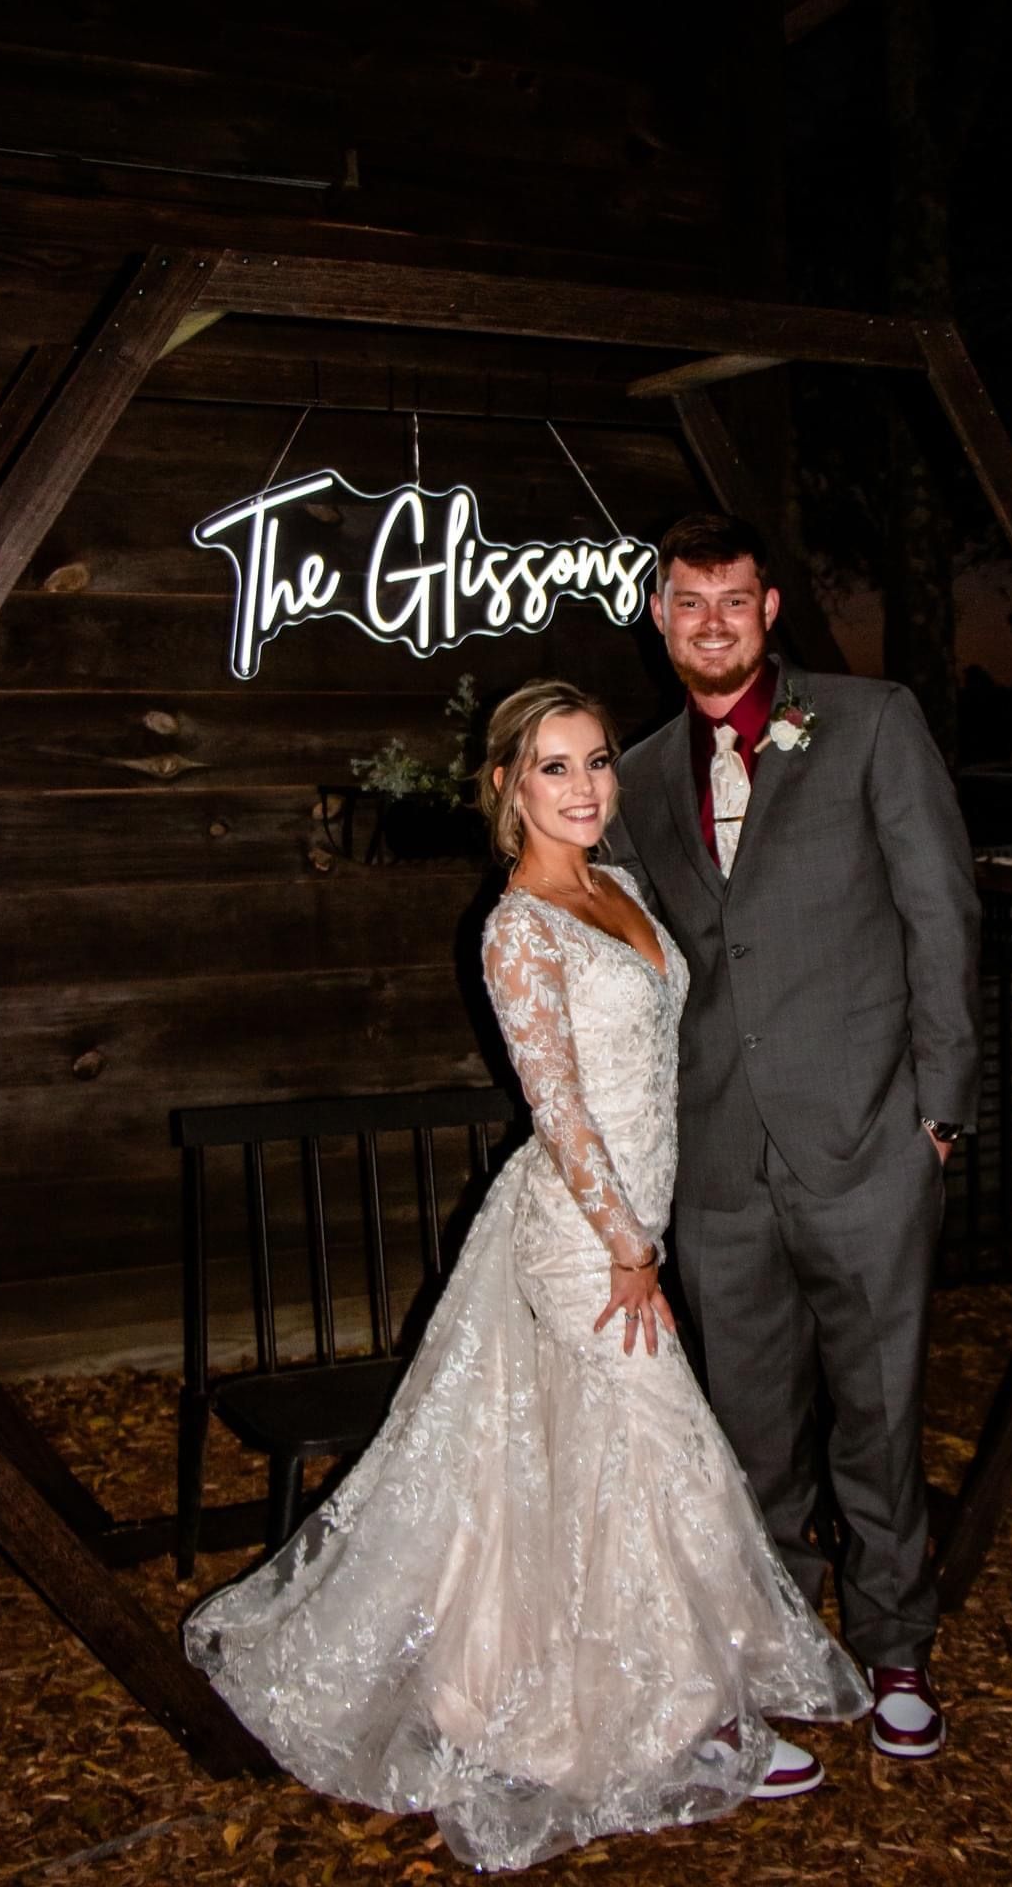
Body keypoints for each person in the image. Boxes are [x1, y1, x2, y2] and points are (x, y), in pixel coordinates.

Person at [184, 679, 868, 1874]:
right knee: (658, 1450)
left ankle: (522, 1691)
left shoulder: (620, 887)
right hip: (581, 1235)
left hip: (632, 1217)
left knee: (564, 1474)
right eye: (554, 766)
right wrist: (629, 1250)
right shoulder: (516, 927)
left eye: (597, 759)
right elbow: (559, 1114)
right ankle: (673, 1716)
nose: (586, 784)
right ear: (506, 785)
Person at [606, 515, 982, 1761]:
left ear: (769, 609)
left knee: (878, 1415)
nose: (710, 620)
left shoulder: (872, 721)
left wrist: (939, 1108)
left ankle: (896, 1650)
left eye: (732, 599)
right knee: (746, 1431)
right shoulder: (643, 772)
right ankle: (772, 1653)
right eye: (686, 600)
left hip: (869, 1140)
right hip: (718, 1162)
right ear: (659, 615)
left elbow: (941, 908)